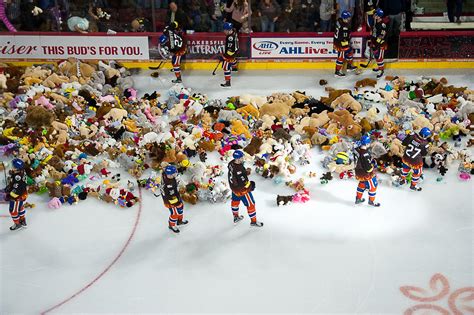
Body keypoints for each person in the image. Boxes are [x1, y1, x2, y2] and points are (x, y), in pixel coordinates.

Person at [228, 150, 263, 227]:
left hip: (234, 189)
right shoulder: (239, 170)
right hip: (242, 191)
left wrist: (245, 172)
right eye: (241, 157)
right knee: (251, 204)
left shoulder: (231, 163)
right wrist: (251, 185)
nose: (243, 158)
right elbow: (244, 184)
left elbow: (236, 176)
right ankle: (253, 222)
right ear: (237, 159)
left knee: (235, 201)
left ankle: (235, 217)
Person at [354, 135, 380, 207]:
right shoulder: (365, 154)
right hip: (365, 173)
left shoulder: (358, 150)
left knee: (362, 184)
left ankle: (358, 198)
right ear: (367, 144)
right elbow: (368, 168)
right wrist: (373, 166)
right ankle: (371, 201)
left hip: (358, 172)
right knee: (373, 185)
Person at [161, 165, 188, 233]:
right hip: (170, 201)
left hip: (175, 197)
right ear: (169, 175)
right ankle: (171, 225)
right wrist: (177, 202)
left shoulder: (168, 176)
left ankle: (179, 221)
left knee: (181, 208)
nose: (176, 174)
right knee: (174, 214)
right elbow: (171, 196)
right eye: (174, 174)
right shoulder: (168, 185)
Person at [6, 158, 28, 231]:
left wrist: (10, 194)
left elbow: (17, 189)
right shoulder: (21, 172)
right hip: (22, 194)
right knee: (20, 207)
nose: (12, 168)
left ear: (17, 169)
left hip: (17, 196)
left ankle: (17, 224)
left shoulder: (17, 177)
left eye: (13, 167)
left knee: (13, 210)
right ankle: (23, 221)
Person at [334, 10, 357, 77]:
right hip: (340, 43)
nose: (349, 19)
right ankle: (337, 72)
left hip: (338, 41)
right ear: (345, 18)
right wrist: (346, 44)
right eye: (348, 18)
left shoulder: (339, 21)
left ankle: (349, 66)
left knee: (350, 52)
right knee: (341, 57)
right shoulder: (345, 27)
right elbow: (344, 38)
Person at [368, 8, 387, 79]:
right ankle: (379, 67)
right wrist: (371, 40)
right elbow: (373, 32)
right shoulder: (375, 22)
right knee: (376, 56)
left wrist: (376, 44)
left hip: (381, 44)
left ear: (378, 16)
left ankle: (381, 70)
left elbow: (382, 36)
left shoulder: (382, 25)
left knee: (380, 57)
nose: (374, 15)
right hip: (375, 43)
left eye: (375, 14)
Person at [220, 21, 239, 88]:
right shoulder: (234, 32)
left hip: (231, 54)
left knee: (226, 67)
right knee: (233, 60)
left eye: (224, 30)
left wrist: (224, 56)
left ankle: (228, 83)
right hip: (236, 51)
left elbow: (230, 50)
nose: (223, 31)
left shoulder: (230, 38)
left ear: (228, 30)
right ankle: (234, 68)